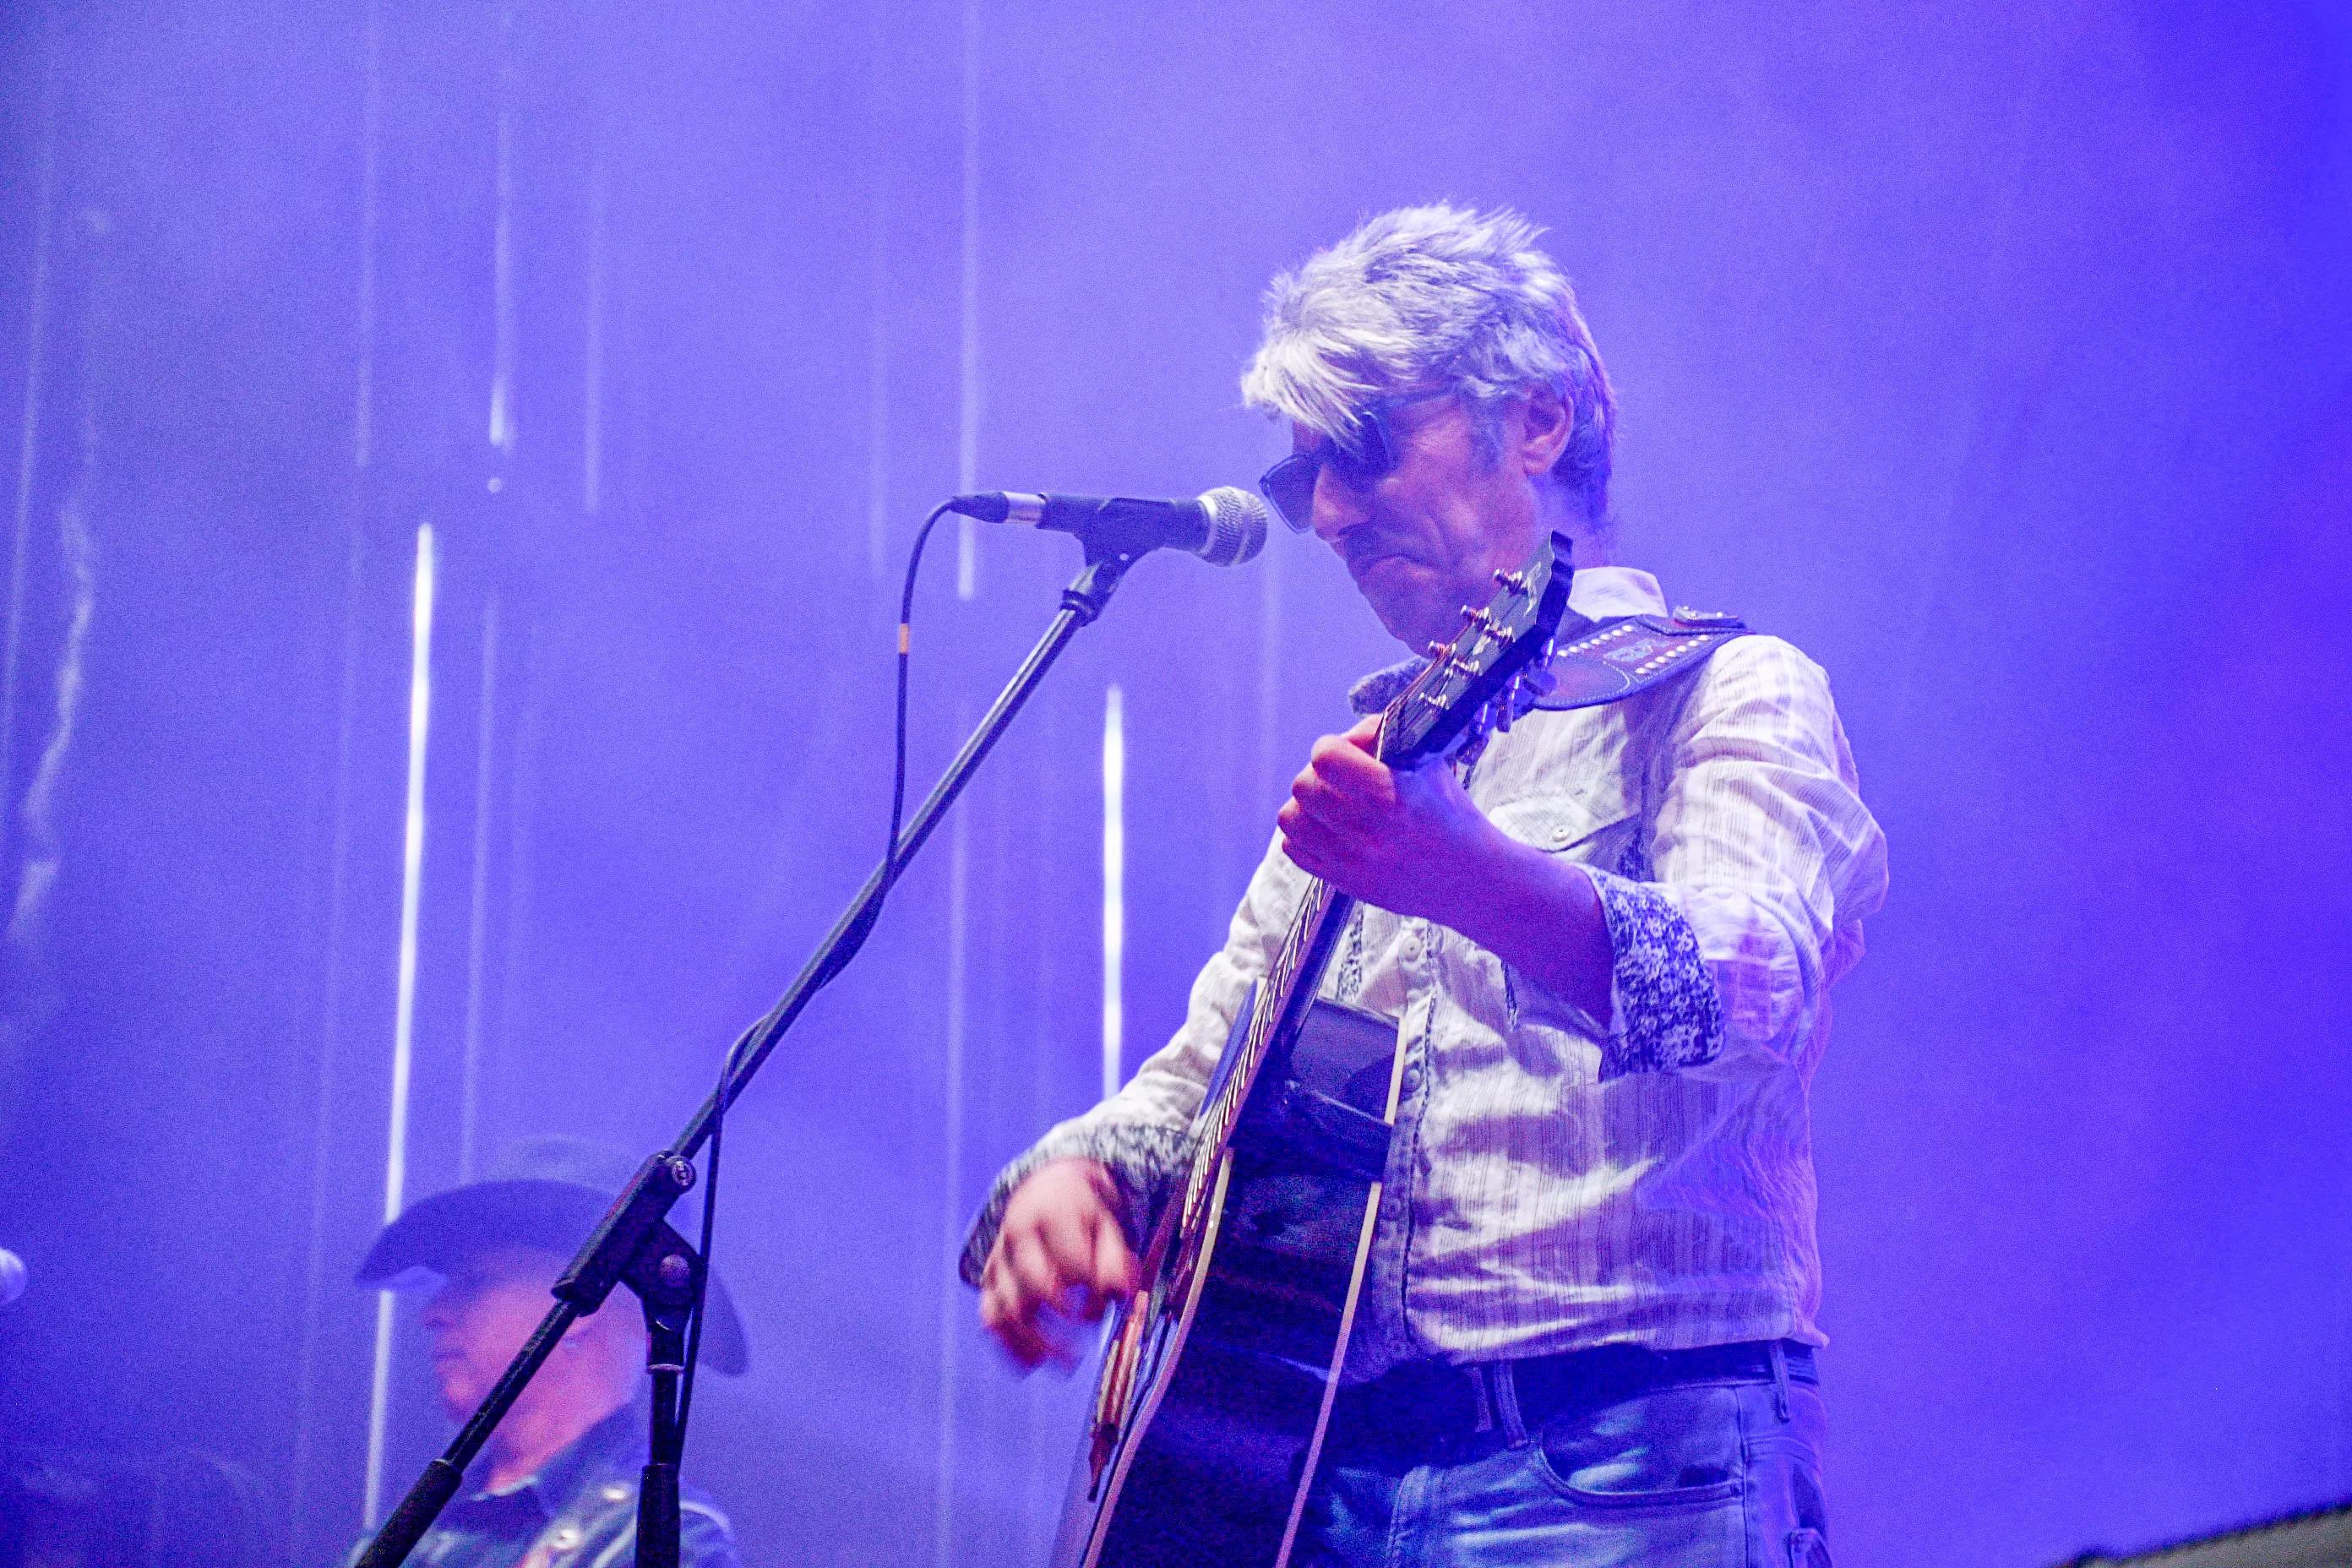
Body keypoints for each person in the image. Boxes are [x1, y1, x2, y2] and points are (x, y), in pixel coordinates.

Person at [961, 205, 1888, 1567]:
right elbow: (1202, 1083)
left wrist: (1469, 877)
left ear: (1537, 423)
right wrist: (1083, 1181)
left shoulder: (1722, 693)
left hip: (1622, 1458)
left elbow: (1743, 1001)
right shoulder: (1370, 769)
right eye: (1302, 480)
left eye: (1366, 448)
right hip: (1325, 1484)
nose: (1328, 513)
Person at [348, 1137, 749, 1568]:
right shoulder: (412, 1533)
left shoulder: (659, 1541)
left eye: (474, 1282)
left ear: (583, 1306)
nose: (433, 1313)